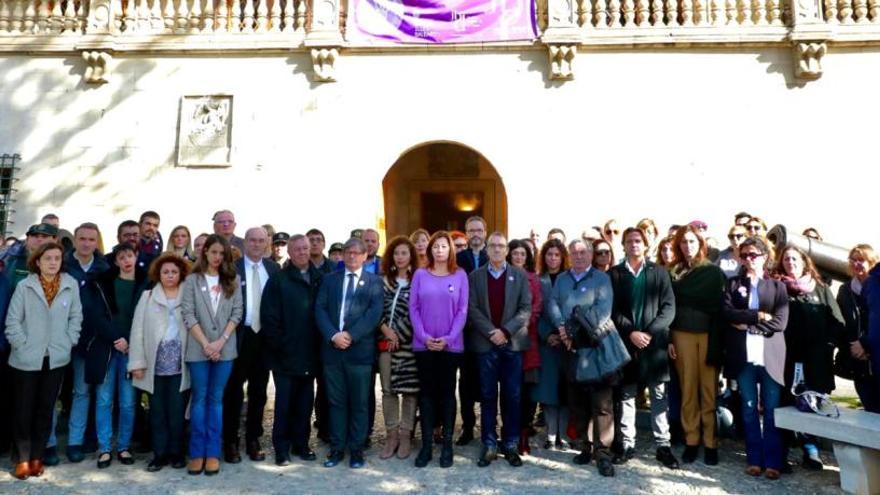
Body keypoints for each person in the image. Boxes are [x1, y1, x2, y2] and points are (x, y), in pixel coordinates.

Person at [5, 242, 83, 480]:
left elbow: (76, 317)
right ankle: (22, 458)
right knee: (23, 410)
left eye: (57, 258)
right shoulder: (25, 286)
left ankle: (37, 457)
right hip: (26, 359)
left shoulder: (70, 285)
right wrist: (23, 344)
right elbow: (13, 321)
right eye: (47, 258)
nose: (52, 262)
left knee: (45, 410)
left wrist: (69, 340)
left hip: (56, 358)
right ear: (37, 262)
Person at [609, 228, 678, 469]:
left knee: (659, 396)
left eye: (638, 241)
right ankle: (627, 445)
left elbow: (669, 308)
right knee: (627, 395)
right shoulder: (615, 274)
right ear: (623, 246)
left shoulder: (659, 273)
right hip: (627, 344)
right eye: (629, 241)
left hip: (654, 345)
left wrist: (648, 332)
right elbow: (612, 310)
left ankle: (663, 446)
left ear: (646, 245)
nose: (634, 245)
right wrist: (632, 332)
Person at [546, 239, 616, 477]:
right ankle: (585, 447)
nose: (578, 256)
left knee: (602, 404)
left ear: (590, 254)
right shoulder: (563, 279)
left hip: (595, 348)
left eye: (583, 252)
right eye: (574, 253)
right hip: (571, 351)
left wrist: (572, 333)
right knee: (577, 402)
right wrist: (561, 328)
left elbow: (603, 311)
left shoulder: (601, 279)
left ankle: (603, 453)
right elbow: (553, 303)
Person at [723, 237, 788, 480]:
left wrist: (749, 325)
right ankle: (754, 458)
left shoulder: (777, 287)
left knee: (771, 409)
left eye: (754, 254)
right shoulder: (733, 283)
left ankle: (773, 460)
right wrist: (758, 315)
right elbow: (727, 312)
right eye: (745, 255)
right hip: (744, 356)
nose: (749, 259)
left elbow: (780, 322)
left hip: (770, 355)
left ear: (764, 256)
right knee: (749, 408)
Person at [772, 245, 844, 470]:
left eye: (795, 259)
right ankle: (781, 453)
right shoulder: (778, 288)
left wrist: (830, 343)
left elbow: (837, 321)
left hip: (816, 360)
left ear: (804, 262)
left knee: (813, 405)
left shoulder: (820, 288)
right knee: (785, 404)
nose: (790, 262)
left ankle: (811, 451)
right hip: (788, 359)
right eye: (786, 259)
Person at [315, 237, 384, 469]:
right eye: (348, 252)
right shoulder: (329, 280)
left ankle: (356, 450)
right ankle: (336, 449)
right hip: (333, 351)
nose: (352, 256)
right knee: (336, 402)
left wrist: (351, 336)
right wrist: (334, 335)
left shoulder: (375, 282)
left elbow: (374, 315)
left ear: (365, 256)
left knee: (359, 403)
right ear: (343, 255)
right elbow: (320, 309)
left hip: (360, 353)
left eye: (357, 253)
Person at [467, 232, 532, 468]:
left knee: (512, 396)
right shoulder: (475, 276)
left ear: (507, 250)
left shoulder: (519, 275)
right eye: (492, 246)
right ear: (486, 249)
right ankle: (489, 444)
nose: (496, 249)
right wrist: (491, 332)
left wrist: (504, 331)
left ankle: (511, 443)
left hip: (512, 344)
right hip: (486, 345)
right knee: (487, 396)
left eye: (501, 246)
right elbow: (471, 308)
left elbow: (526, 309)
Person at [181, 234, 244, 476]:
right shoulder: (192, 280)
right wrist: (207, 344)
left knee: (216, 400)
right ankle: (197, 453)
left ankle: (213, 452)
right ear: (204, 252)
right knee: (199, 399)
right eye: (213, 252)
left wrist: (220, 342)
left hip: (225, 349)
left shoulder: (233, 280)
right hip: (199, 348)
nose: (217, 257)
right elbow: (188, 314)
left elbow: (237, 313)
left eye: (221, 253)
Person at [261, 235, 324, 465]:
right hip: (285, 355)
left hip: (310, 353)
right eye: (297, 249)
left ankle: (301, 444)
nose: (302, 252)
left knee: (305, 403)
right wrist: (280, 346)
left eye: (305, 248)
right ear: (289, 252)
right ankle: (281, 448)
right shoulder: (278, 280)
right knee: (284, 404)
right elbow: (269, 318)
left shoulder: (320, 279)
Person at [667, 225, 726, 466]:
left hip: (707, 335)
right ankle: (692, 441)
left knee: (708, 391)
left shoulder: (713, 273)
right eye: (683, 242)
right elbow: (669, 306)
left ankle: (711, 443)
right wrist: (669, 338)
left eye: (692, 241)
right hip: (681, 335)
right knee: (687, 390)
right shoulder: (673, 272)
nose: (687, 246)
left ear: (700, 244)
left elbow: (719, 307)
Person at [409, 231, 468, 468]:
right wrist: (424, 337)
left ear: (450, 250)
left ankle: (447, 446)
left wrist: (448, 338)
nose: (439, 250)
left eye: (444, 246)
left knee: (447, 395)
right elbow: (413, 308)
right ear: (430, 249)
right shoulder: (420, 275)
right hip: (423, 346)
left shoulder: (460, 275)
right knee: (427, 395)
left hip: (450, 346)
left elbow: (463, 311)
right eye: (436, 246)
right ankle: (426, 447)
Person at [128, 253, 191, 472]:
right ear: (158, 274)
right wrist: (136, 361)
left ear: (181, 273)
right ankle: (159, 454)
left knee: (177, 411)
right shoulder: (147, 297)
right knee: (157, 412)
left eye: (174, 272)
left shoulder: (188, 296)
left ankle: (176, 453)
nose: (170, 275)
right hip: (154, 364)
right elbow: (136, 331)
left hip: (179, 364)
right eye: (165, 272)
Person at [222, 227, 279, 463]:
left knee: (259, 391)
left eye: (261, 241)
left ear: (267, 244)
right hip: (238, 335)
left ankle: (253, 438)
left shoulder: (273, 269)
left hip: (263, 338)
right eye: (252, 240)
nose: (257, 244)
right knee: (233, 391)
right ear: (244, 242)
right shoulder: (232, 269)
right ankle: (231, 440)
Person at [91, 243, 148, 469]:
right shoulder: (103, 282)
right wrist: (117, 338)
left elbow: (145, 318)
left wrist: (130, 341)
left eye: (130, 256)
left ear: (136, 258)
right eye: (121, 257)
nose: (126, 260)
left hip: (132, 349)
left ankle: (123, 446)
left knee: (128, 402)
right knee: (104, 399)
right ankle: (104, 448)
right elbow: (97, 315)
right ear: (116, 261)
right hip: (107, 347)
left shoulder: (145, 283)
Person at [60, 223, 113, 464]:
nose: (86, 243)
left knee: (82, 392)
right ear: (75, 239)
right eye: (82, 238)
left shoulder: (104, 267)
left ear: (97, 242)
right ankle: (48, 443)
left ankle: (76, 441)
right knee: (54, 394)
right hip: (60, 338)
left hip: (89, 341)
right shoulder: (63, 265)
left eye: (91, 239)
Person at [377, 236, 420, 460]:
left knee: (410, 392)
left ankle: (405, 436)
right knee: (388, 391)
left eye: (404, 253)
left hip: (409, 345)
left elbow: (418, 311)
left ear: (411, 256)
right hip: (386, 344)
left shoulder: (419, 281)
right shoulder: (383, 281)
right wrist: (386, 331)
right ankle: (391, 435)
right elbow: (376, 309)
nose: (400, 257)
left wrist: (399, 335)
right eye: (396, 253)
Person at [533, 239, 571, 452]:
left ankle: (563, 436)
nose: (553, 258)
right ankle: (550, 434)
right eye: (549, 254)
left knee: (565, 391)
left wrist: (565, 334)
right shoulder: (539, 281)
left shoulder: (569, 279)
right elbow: (534, 312)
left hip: (568, 342)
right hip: (547, 344)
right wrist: (547, 334)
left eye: (557, 255)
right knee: (548, 391)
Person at [455, 216, 489, 446]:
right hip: (464, 330)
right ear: (466, 234)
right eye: (471, 230)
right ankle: (468, 426)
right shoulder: (457, 259)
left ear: (485, 232)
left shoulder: (495, 256)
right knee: (466, 381)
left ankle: (489, 427)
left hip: (488, 329)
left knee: (488, 379)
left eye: (479, 230)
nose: (475, 234)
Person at [508, 238, 542, 456]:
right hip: (506, 340)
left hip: (528, 340)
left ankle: (523, 431)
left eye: (523, 254)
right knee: (511, 390)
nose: (519, 257)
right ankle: (509, 429)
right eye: (516, 253)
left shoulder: (533, 279)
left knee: (528, 391)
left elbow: (537, 306)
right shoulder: (504, 276)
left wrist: (523, 323)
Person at [836, 245, 879, 413]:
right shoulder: (845, 290)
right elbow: (841, 321)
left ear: (872, 262)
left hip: (875, 351)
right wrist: (853, 345)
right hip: (858, 358)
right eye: (853, 260)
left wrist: (866, 344)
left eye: (861, 260)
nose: (856, 264)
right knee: (870, 408)